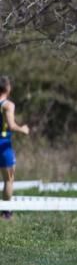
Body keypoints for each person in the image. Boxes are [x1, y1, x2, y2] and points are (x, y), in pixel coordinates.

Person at [0, 75, 30, 220]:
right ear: (7, 88)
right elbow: (11, 126)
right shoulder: (8, 105)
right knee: (8, 179)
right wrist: (23, 129)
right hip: (3, 144)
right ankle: (6, 213)